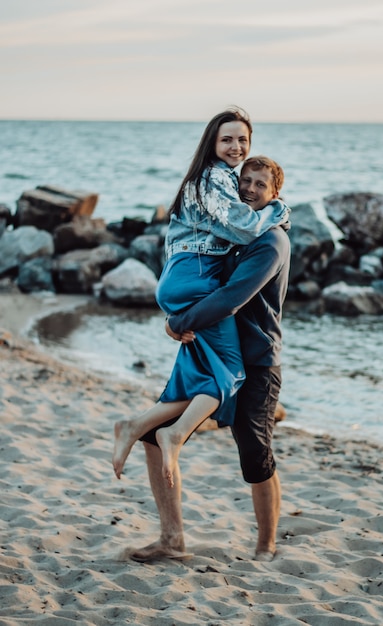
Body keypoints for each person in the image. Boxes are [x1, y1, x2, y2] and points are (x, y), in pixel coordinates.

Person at [112, 109, 290, 489]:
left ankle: (139, 427)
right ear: (212, 141)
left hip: (182, 276)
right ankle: (169, 435)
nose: (236, 146)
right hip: (196, 279)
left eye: (243, 140)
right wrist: (279, 209)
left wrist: (176, 311)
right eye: (227, 139)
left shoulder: (217, 177)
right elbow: (243, 229)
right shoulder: (214, 178)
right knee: (231, 372)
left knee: (201, 379)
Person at [130, 155, 291, 562]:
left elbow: (230, 298)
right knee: (154, 433)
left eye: (260, 185)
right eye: (246, 182)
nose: (251, 189)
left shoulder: (271, 241)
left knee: (254, 452)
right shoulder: (233, 233)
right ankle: (171, 539)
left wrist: (175, 322)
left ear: (275, 195)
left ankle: (266, 545)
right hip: (213, 350)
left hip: (255, 361)